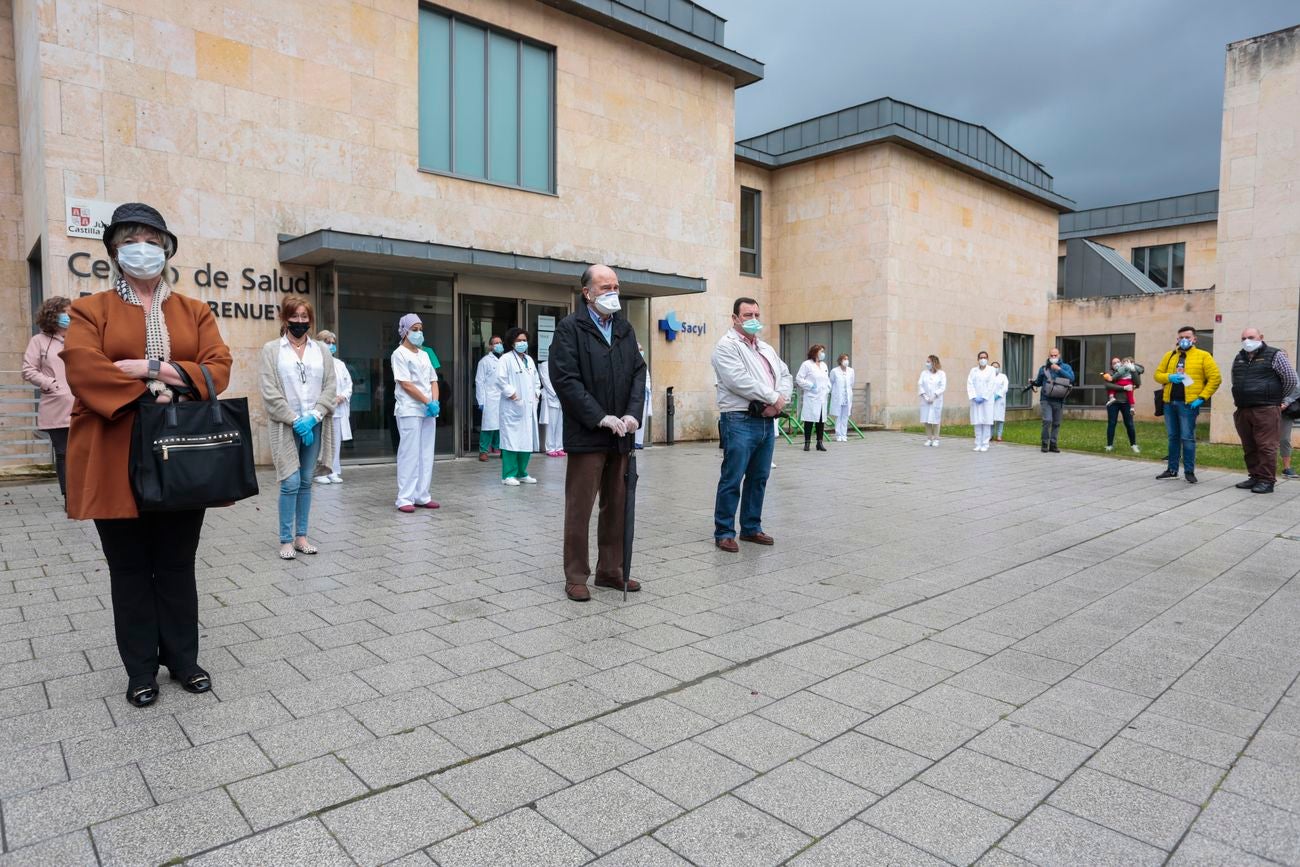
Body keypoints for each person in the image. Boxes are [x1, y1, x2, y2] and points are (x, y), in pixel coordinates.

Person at [62, 202, 232, 707]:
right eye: (132, 240)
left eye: (154, 241)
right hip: (114, 452)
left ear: (167, 249)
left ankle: (183, 659)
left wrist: (148, 366)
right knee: (130, 567)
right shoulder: (90, 309)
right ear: (115, 250)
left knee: (178, 563)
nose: (144, 249)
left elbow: (217, 366)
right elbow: (84, 368)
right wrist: (151, 389)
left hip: (180, 454)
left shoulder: (193, 310)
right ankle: (140, 669)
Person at [549, 265, 646, 601]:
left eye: (616, 286)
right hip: (588, 433)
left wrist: (633, 414)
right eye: (606, 287)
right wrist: (599, 416)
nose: (613, 292)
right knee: (580, 507)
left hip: (621, 435)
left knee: (617, 505)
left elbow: (638, 372)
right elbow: (565, 379)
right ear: (587, 293)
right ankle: (576, 575)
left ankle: (611, 571)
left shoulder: (624, 328)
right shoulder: (569, 329)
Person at [712, 297, 792, 553]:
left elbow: (785, 374)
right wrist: (772, 397)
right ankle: (724, 532)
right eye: (747, 315)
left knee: (759, 477)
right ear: (735, 318)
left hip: (767, 421)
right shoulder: (726, 347)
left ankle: (751, 528)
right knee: (732, 477)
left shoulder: (765, 348)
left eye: (757, 314)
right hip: (739, 420)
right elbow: (738, 381)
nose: (754, 320)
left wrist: (780, 400)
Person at [260, 299, 337, 556]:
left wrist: (313, 417)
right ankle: (285, 539)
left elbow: (330, 387)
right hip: (286, 426)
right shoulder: (272, 350)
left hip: (313, 424)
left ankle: (301, 537)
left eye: (305, 316)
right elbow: (269, 392)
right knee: (289, 482)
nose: (300, 321)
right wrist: (294, 420)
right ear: (285, 318)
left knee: (305, 481)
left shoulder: (321, 351)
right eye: (295, 316)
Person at [1229, 327, 1298, 494]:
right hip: (1243, 409)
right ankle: (1255, 476)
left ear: (1261, 337)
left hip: (1266, 409)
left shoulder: (1275, 355)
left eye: (1251, 337)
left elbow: (1291, 380)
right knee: (1249, 446)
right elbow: (1234, 379)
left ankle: (1267, 481)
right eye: (1244, 338)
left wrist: (1276, 397)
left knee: (1266, 446)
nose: (1247, 340)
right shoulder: (1239, 357)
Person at [1153, 325, 1221, 484]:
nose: (1184, 340)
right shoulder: (1169, 355)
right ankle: (1172, 470)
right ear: (1177, 339)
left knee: (1187, 438)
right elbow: (1157, 375)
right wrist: (1169, 377)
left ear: (1194, 339)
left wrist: (1202, 397)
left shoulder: (1203, 356)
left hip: (1188, 404)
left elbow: (1215, 378)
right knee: (1173, 437)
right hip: (1169, 403)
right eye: (1181, 337)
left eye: (1187, 337)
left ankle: (1189, 471)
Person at [23, 296, 74, 495]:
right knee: (63, 453)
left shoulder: (79, 337)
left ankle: (84, 494)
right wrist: (51, 384)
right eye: (65, 312)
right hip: (57, 404)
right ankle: (69, 497)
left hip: (83, 404)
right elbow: (28, 370)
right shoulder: (38, 341)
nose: (69, 316)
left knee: (82, 453)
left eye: (71, 312)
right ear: (53, 315)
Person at [391, 314, 440, 511]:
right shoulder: (399, 354)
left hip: (428, 410)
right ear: (404, 331)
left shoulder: (424, 354)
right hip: (409, 409)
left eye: (420, 329)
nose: (419, 333)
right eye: (415, 329)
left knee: (426, 453)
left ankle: (422, 495)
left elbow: (433, 380)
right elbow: (405, 383)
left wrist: (434, 401)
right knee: (409, 454)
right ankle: (404, 498)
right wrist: (428, 401)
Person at [498, 327, 541, 486]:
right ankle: (508, 475)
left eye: (524, 340)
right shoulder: (505, 359)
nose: (523, 343)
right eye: (519, 341)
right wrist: (513, 394)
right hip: (512, 407)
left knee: (526, 440)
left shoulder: (529, 360)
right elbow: (500, 380)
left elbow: (536, 381)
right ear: (512, 343)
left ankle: (522, 472)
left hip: (528, 407)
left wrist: (537, 393)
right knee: (511, 441)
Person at [314, 330, 352, 484]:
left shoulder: (340, 364)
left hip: (337, 409)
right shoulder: (315, 363)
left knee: (335, 442)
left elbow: (348, 384)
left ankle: (333, 470)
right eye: (327, 342)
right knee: (323, 443)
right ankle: (319, 473)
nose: (331, 345)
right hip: (322, 410)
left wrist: (342, 396)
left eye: (332, 342)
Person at [1029, 347, 1076, 453]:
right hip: (1046, 399)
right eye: (1051, 356)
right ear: (1049, 356)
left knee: (1056, 423)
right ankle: (1045, 443)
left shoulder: (1066, 367)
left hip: (1059, 399)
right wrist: (1033, 382)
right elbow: (1039, 382)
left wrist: (1059, 369)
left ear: (1059, 356)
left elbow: (1071, 378)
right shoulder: (1044, 368)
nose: (1053, 357)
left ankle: (1053, 444)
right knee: (1047, 420)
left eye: (1055, 355)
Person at [796, 344, 831, 452]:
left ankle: (819, 443)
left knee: (821, 421)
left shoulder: (824, 365)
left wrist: (828, 389)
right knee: (809, 420)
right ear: (815, 352)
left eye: (823, 351)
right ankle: (807, 443)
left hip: (822, 397)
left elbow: (827, 380)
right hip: (812, 397)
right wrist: (811, 386)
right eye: (821, 351)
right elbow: (799, 379)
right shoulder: (806, 364)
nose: (823, 354)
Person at [1102, 356, 1140, 454]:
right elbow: (1108, 385)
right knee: (1112, 423)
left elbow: (1138, 383)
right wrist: (1124, 388)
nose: (1117, 364)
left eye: (1118, 362)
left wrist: (1133, 369)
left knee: (1129, 424)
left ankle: (1134, 445)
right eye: (1114, 363)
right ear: (1112, 365)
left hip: (1126, 402)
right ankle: (1109, 445)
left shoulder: (1128, 371)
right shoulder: (1110, 373)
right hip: (1113, 403)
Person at [475, 336, 503, 461]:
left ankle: (502, 449)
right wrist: (480, 401)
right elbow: (479, 381)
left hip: (503, 398)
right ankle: (483, 451)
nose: (498, 345)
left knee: (502, 426)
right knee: (488, 426)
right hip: (490, 398)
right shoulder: (485, 361)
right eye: (495, 343)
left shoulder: (505, 360)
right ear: (490, 346)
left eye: (500, 343)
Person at [967, 351, 997, 452]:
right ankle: (977, 443)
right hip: (976, 400)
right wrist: (974, 396)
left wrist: (984, 397)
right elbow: (969, 384)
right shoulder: (973, 371)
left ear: (987, 359)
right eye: (981, 357)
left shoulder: (991, 370)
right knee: (977, 421)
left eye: (984, 357)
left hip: (987, 400)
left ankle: (985, 443)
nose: (982, 359)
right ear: (978, 359)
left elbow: (992, 384)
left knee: (986, 422)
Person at [539, 357, 566, 457]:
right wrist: (557, 393)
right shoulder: (544, 365)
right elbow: (546, 382)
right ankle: (550, 448)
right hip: (551, 398)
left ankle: (559, 447)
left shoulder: (561, 363)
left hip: (561, 399)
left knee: (560, 425)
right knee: (551, 425)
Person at [918, 355, 945, 446]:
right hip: (925, 401)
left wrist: (934, 396)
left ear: (934, 363)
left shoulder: (941, 374)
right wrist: (925, 397)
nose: (927, 363)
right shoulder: (924, 373)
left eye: (929, 361)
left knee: (936, 420)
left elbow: (942, 387)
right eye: (927, 361)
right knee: (926, 420)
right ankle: (929, 438)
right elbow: (920, 385)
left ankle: (936, 439)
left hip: (936, 400)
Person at [829, 353, 855, 442]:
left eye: (847, 359)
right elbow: (831, 382)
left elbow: (851, 383)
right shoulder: (834, 371)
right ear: (840, 361)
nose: (846, 361)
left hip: (847, 397)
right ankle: (838, 435)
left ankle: (844, 434)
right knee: (838, 416)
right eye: (844, 359)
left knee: (845, 416)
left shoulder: (851, 371)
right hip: (838, 397)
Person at [634, 343, 652, 449]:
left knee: (642, 421)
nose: (642, 351)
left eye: (642, 349)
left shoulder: (642, 364)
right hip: (636, 397)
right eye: (640, 349)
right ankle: (635, 442)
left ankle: (639, 442)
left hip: (644, 396)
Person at [990, 360, 1009, 442]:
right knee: (990, 419)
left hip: (1000, 400)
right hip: (990, 400)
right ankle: (990, 435)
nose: (995, 368)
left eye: (997, 367)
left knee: (1000, 419)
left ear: (999, 368)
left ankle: (999, 435)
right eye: (993, 367)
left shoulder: (1003, 376)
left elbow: (1005, 387)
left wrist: (998, 395)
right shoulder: (989, 376)